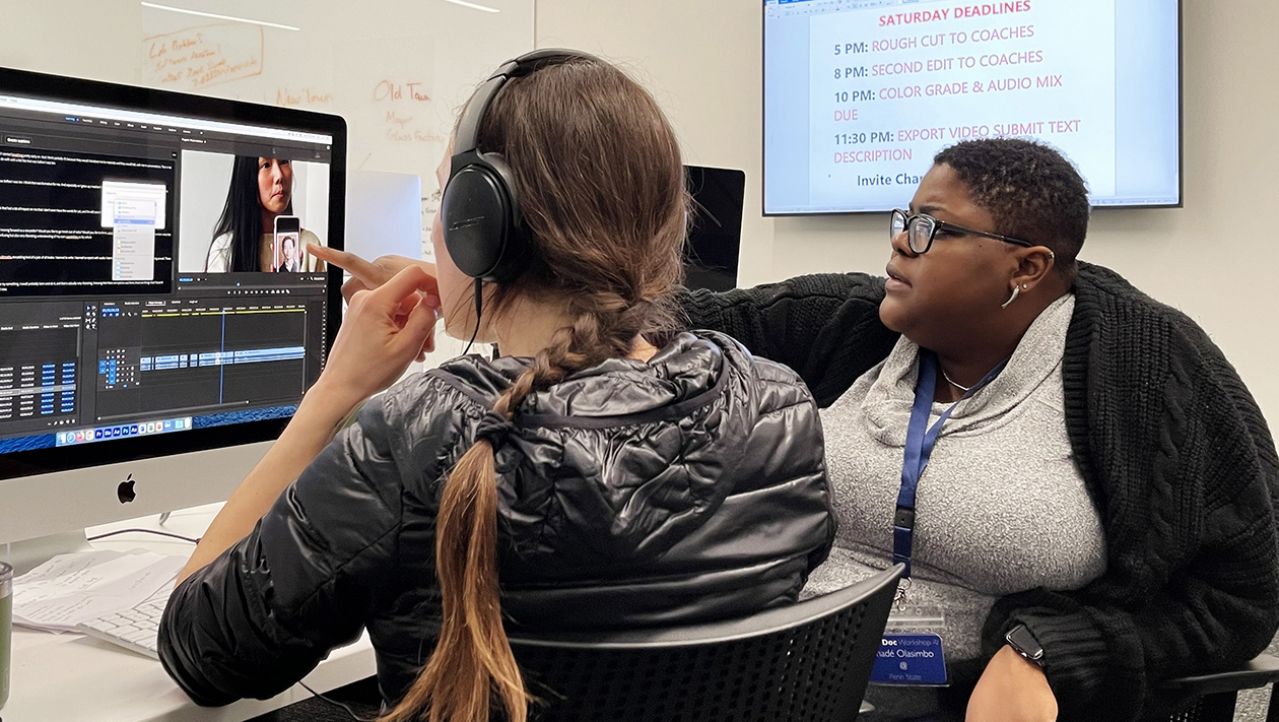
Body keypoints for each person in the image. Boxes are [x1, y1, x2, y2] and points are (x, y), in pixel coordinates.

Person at [323, 138, 1279, 720]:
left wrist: (1051, 652)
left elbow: (1244, 591)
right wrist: (475, 309)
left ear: (1024, 267)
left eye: (925, 227)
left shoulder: (1146, 368)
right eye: (899, 217)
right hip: (790, 689)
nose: (893, 245)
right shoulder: (853, 321)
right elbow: (653, 325)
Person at [159, 50, 836, 722]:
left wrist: (334, 389)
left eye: (445, 201)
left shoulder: (416, 437)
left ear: (478, 224)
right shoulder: (777, 408)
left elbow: (200, 648)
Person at [204, 155, 324, 272]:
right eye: (266, 165)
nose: (279, 176)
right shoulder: (225, 248)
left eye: (284, 161)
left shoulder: (310, 245)